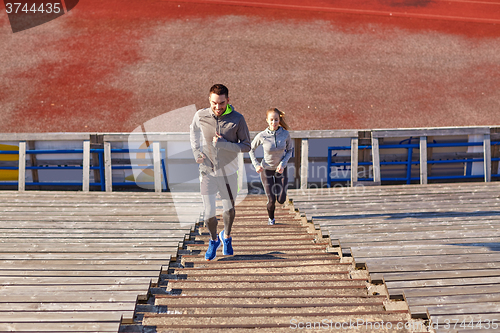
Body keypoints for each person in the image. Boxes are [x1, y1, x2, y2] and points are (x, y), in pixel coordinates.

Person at [190, 84, 251, 261]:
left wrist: (224, 144)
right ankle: (214, 240)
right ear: (209, 100)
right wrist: (195, 151)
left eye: (222, 103)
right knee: (208, 213)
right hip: (207, 172)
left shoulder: (238, 119)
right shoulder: (200, 115)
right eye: (214, 103)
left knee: (229, 210)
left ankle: (227, 236)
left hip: (229, 173)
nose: (218, 107)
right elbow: (193, 130)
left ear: (228, 100)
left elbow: (246, 145)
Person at [249, 108, 294, 225]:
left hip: (281, 169)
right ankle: (271, 219)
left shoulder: (285, 134)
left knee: (281, 199)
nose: (274, 123)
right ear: (267, 121)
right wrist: (256, 165)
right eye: (271, 120)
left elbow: (290, 150)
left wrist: (282, 164)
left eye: (276, 120)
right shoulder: (262, 136)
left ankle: (280, 197)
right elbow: (250, 149)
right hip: (267, 170)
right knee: (272, 200)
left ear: (279, 120)